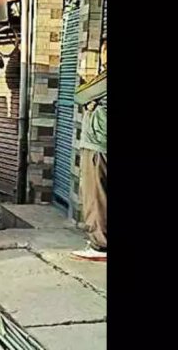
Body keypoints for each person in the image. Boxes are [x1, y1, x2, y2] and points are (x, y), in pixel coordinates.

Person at [72, 39, 107, 261]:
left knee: (95, 195)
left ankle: (99, 245)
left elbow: (80, 95)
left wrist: (90, 103)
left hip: (97, 144)